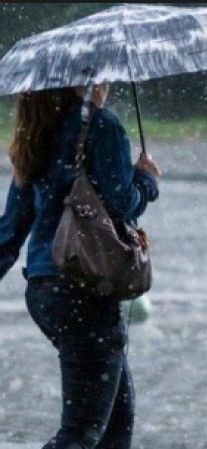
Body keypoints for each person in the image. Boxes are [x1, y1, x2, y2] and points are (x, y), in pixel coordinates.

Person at [0, 84, 161, 449]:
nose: (106, 82)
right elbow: (122, 203)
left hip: (44, 292)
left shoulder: (37, 132)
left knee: (114, 425)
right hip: (83, 290)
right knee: (83, 432)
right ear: (79, 82)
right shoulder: (102, 127)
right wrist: (146, 180)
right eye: (97, 74)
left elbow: (10, 229)